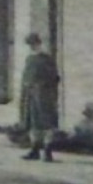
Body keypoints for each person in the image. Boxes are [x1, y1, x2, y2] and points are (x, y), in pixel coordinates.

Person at [18, 32, 61, 161]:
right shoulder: (29, 59)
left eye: (33, 44)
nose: (32, 47)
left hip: (44, 95)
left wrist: (44, 89)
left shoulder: (46, 59)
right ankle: (35, 149)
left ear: (38, 43)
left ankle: (48, 151)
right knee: (33, 122)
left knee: (46, 122)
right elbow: (26, 77)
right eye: (30, 44)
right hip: (30, 95)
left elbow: (54, 78)